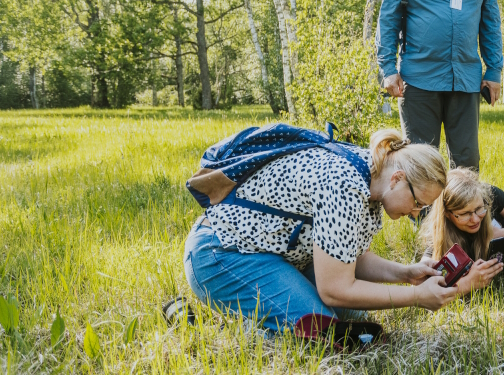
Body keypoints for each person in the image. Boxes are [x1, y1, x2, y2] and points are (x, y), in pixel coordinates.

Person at [183, 129, 457, 334]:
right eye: (418, 203)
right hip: (222, 254)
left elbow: (350, 258)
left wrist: (406, 274)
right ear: (398, 179)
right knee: (322, 329)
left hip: (272, 257)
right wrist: (417, 298)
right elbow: (335, 289)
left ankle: (258, 310)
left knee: (354, 316)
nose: (414, 212)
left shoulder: (372, 178)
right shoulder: (344, 185)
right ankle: (221, 329)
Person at [376, 0, 503, 170]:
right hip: (418, 81)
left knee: (467, 165)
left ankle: (464, 215)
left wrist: (494, 70)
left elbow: (490, 18)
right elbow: (388, 16)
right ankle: (425, 217)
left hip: (466, 80)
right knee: (421, 166)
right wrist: (387, 69)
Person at [416, 168, 504, 295]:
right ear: (448, 214)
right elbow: (421, 290)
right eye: (465, 214)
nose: (476, 219)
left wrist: (503, 235)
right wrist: (467, 283)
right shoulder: (439, 237)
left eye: (479, 209)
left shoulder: (489, 195)